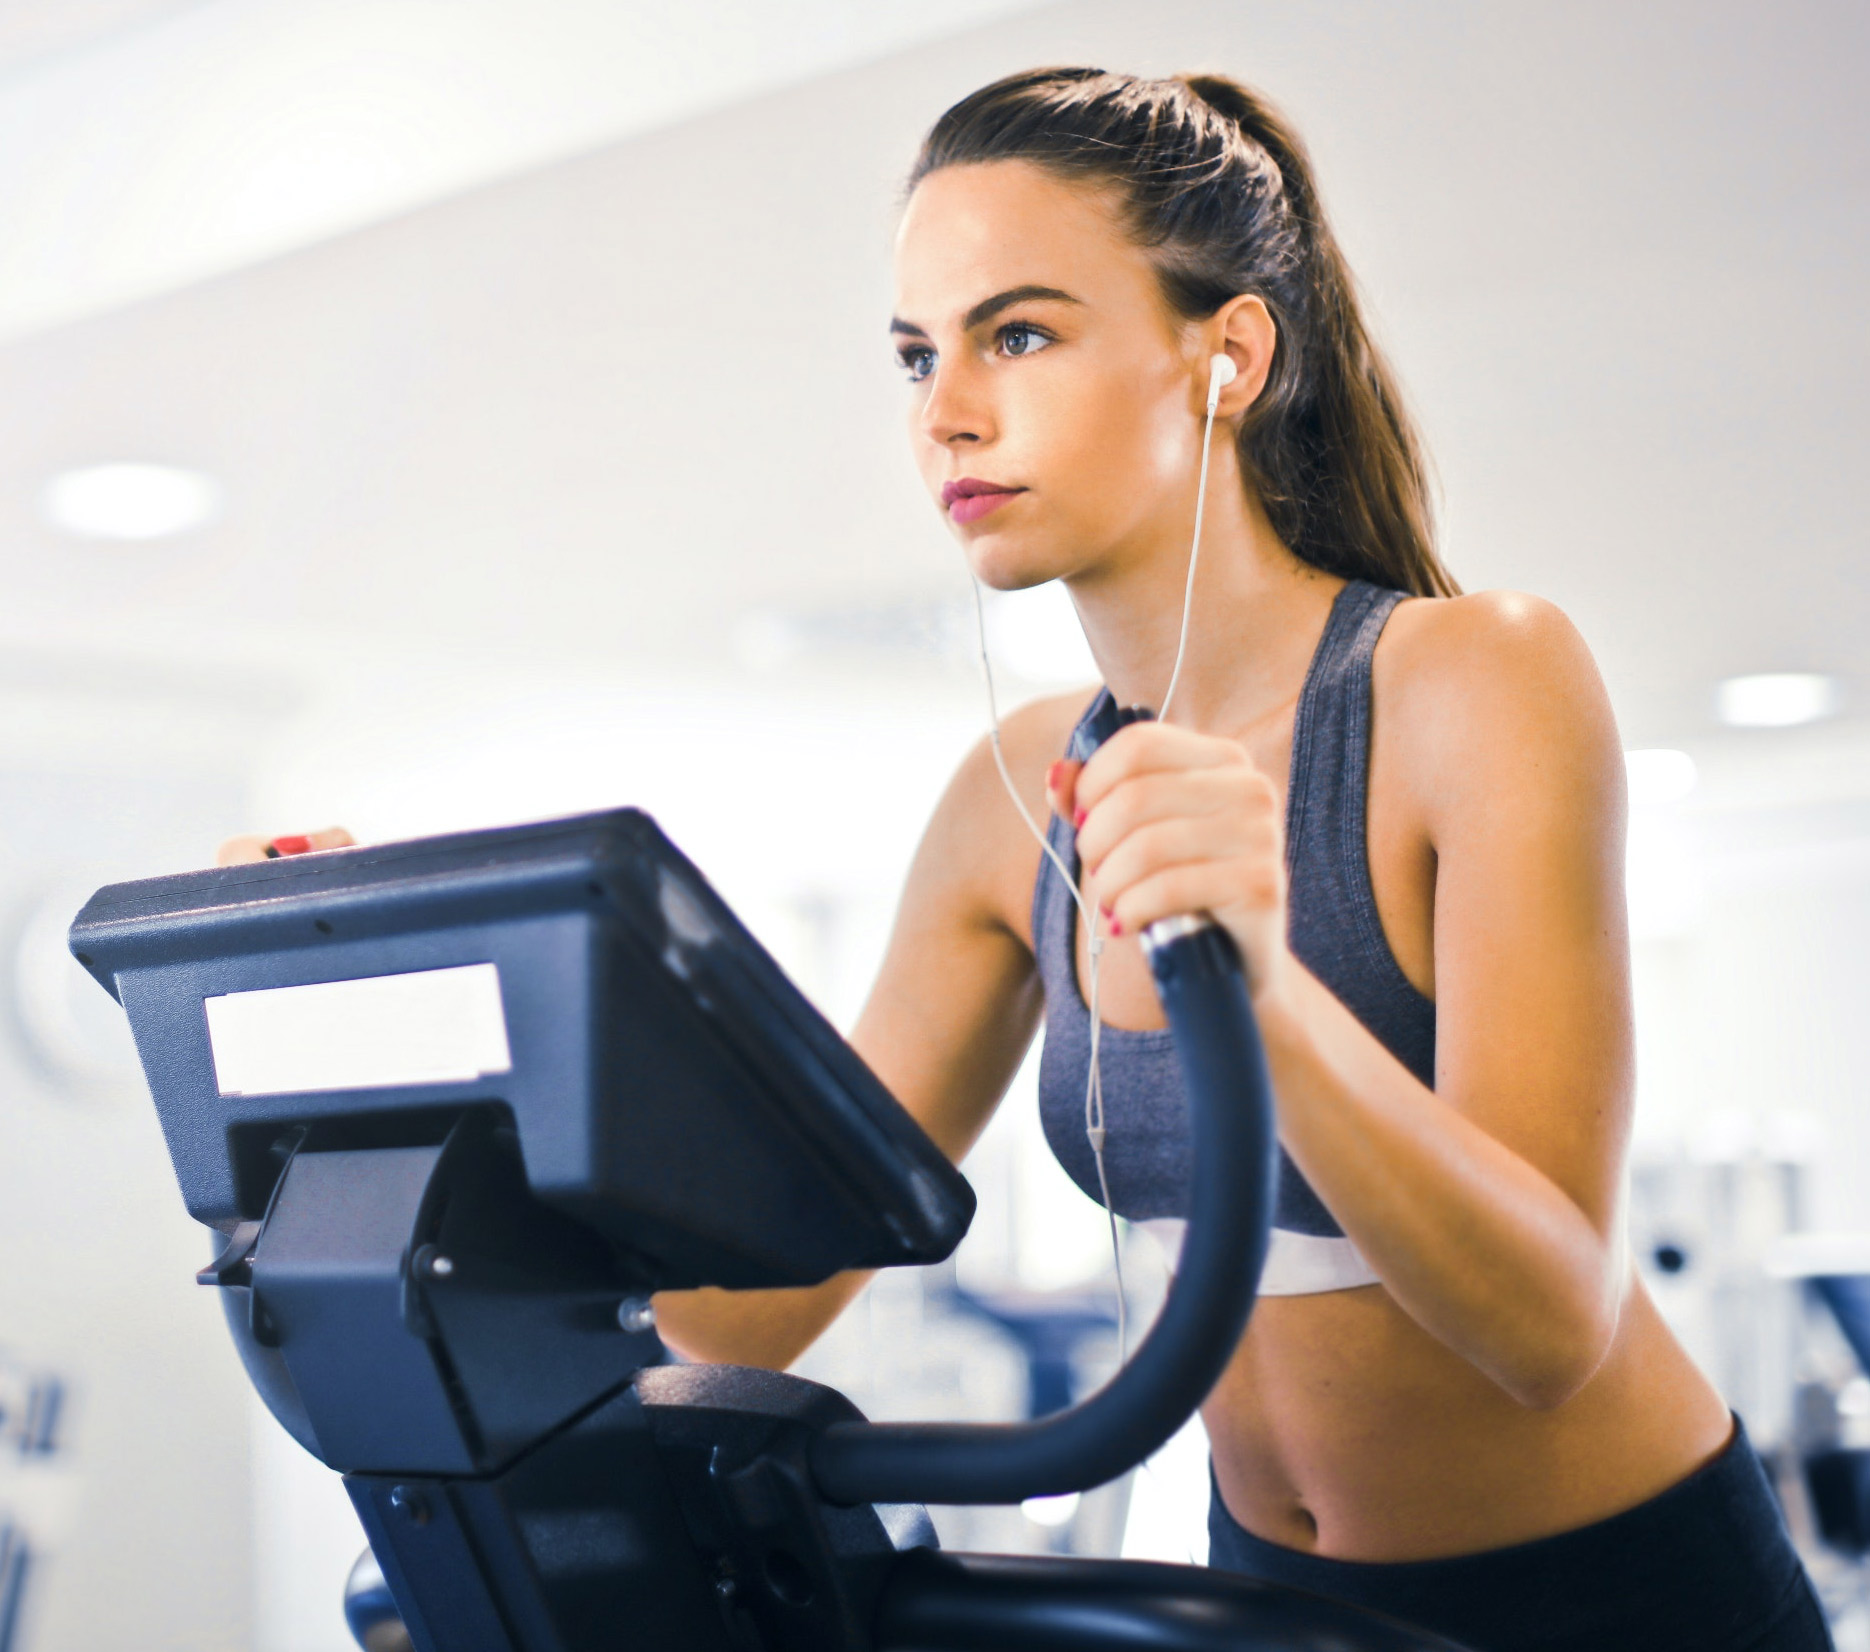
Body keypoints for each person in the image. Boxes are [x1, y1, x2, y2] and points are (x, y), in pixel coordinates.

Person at [225, 68, 1831, 1652]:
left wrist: (1258, 983)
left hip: (1621, 1589)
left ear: (1227, 356)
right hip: (1269, 1599)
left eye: (1020, 333)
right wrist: (363, 1093)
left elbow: (1550, 1326)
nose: (945, 410)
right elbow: (760, 1299)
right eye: (918, 353)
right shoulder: (1013, 801)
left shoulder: (1467, 680)